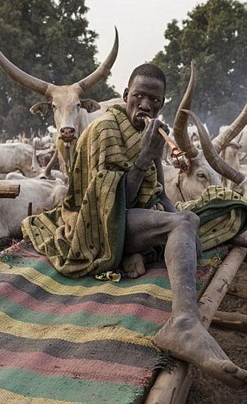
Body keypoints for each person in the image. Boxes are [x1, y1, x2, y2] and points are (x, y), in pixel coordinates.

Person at [22, 63, 247, 388]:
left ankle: (141, 256)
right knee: (180, 224)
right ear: (126, 95)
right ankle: (183, 323)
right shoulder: (104, 130)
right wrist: (144, 158)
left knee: (190, 218)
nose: (145, 105)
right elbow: (110, 204)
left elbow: (156, 189)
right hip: (96, 224)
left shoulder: (151, 132)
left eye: (153, 101)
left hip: (130, 217)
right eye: (138, 96)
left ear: (160, 104)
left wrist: (183, 219)